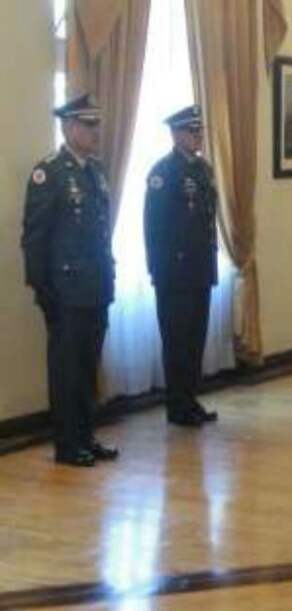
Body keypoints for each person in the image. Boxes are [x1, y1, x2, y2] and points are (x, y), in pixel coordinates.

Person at [21, 94, 118, 467]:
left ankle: (85, 435)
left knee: (88, 366)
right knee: (66, 369)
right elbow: (34, 237)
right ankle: (66, 443)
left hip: (95, 287)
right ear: (68, 127)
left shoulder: (95, 172)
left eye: (97, 125)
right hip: (65, 291)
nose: (96, 132)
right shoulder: (49, 173)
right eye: (88, 125)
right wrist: (44, 290)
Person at [144, 105, 219, 427]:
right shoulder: (163, 172)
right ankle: (177, 406)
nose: (197, 136)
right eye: (191, 131)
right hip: (174, 273)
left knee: (195, 339)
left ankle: (190, 398)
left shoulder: (203, 169)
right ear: (175, 134)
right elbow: (153, 228)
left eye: (199, 130)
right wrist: (158, 270)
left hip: (200, 268)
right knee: (177, 340)